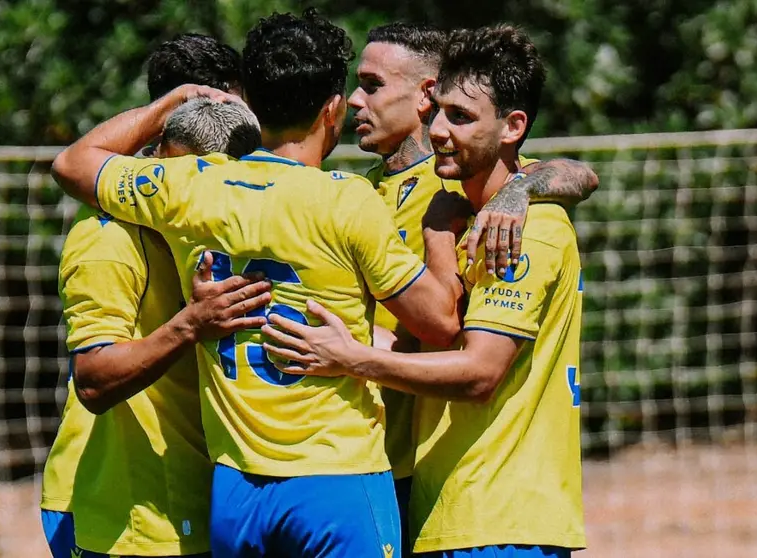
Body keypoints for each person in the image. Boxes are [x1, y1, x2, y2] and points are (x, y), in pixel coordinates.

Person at [51, 9, 467, 557]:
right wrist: (440, 233)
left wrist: (172, 104)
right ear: (331, 109)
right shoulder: (346, 199)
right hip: (336, 478)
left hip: (236, 489)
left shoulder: (191, 187)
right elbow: (440, 323)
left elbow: (73, 163)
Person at [263, 24, 587, 557]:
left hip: (494, 514)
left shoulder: (513, 226)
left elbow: (477, 368)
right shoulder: (386, 197)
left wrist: (352, 357)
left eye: (459, 116)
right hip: (432, 494)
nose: (439, 128)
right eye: (442, 113)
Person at [39, 79, 265, 558]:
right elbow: (94, 380)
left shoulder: (242, 225)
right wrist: (190, 324)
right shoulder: (108, 238)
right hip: (133, 510)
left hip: (210, 496)